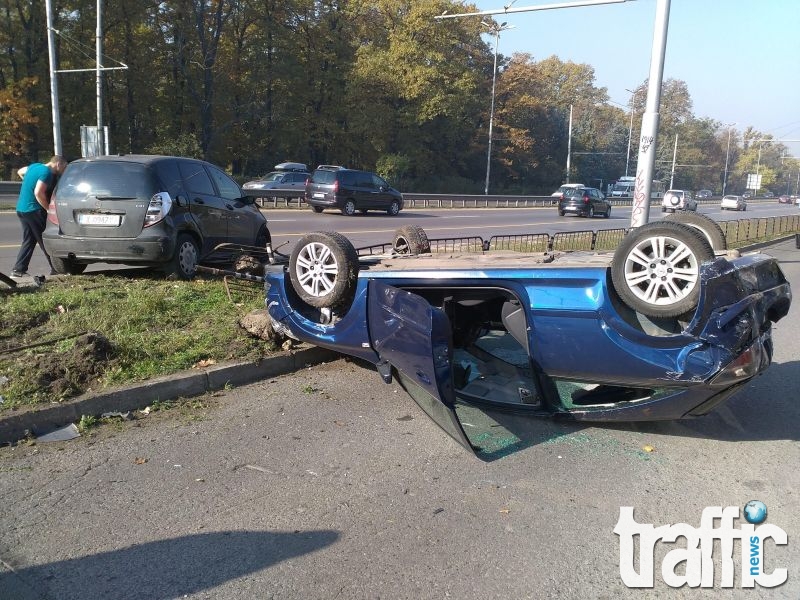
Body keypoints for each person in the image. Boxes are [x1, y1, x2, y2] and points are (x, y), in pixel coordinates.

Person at [10, 155, 67, 277]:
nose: (64, 170)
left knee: (29, 240)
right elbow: (38, 192)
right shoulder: (47, 173)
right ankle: (56, 269)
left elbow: (21, 171)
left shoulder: (35, 166)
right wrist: (48, 209)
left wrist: (28, 184)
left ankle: (18, 270)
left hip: (21, 209)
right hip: (33, 210)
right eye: (64, 166)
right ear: (59, 164)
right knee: (44, 240)